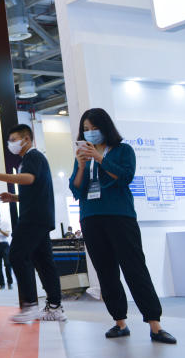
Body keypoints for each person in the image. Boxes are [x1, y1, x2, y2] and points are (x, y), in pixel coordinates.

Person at [69, 108, 175, 344]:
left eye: (94, 128)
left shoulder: (123, 150)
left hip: (120, 216)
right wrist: (82, 165)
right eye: (86, 129)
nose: (90, 133)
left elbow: (125, 177)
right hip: (91, 217)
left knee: (134, 268)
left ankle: (155, 325)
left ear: (105, 127)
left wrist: (99, 158)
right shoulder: (82, 155)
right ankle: (119, 322)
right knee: (106, 272)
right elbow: (76, 189)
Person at [0, 124, 65, 323]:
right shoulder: (31, 159)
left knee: (17, 255)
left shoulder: (33, 157)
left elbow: (29, 179)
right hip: (40, 216)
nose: (11, 144)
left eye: (14, 139)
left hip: (34, 218)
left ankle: (30, 304)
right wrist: (15, 198)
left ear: (26, 139)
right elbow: (36, 188)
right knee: (44, 261)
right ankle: (55, 306)